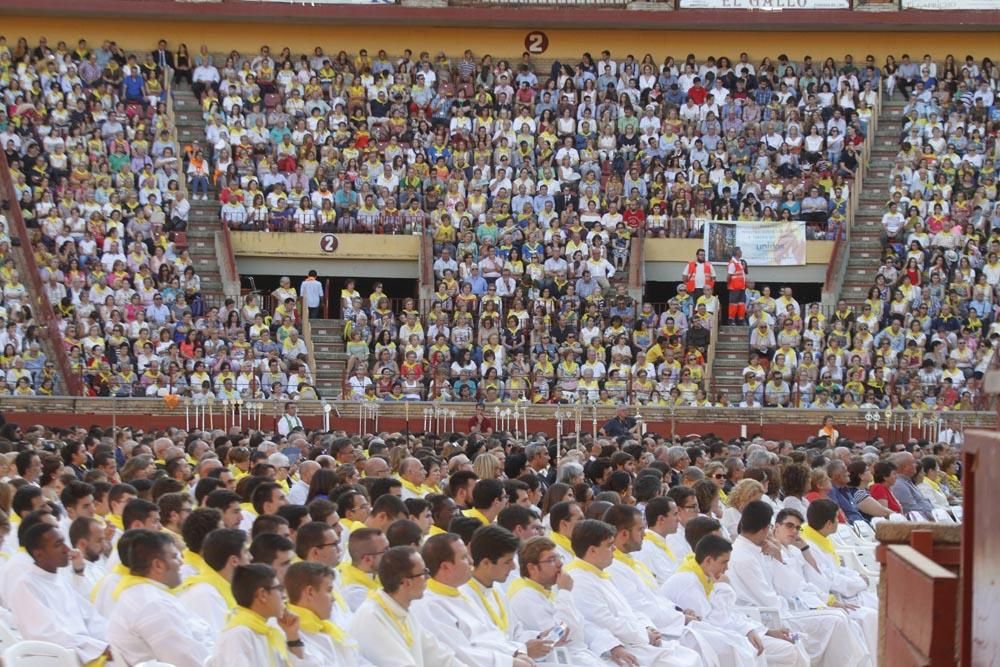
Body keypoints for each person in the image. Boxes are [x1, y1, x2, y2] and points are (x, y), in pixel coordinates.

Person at [726, 501, 869, 667]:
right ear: (768, 528)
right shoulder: (744, 556)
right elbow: (769, 598)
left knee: (839, 617)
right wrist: (804, 604)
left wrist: (778, 557)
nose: (794, 532)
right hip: (768, 615)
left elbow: (792, 585)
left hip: (785, 606)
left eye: (797, 528)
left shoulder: (761, 549)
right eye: (789, 526)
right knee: (836, 620)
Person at [567, 519, 701, 667]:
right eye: (609, 545)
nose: (614, 550)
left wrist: (647, 627)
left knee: (691, 655)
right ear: (592, 550)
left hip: (636, 638)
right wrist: (643, 634)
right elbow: (606, 622)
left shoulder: (597, 573)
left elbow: (629, 609)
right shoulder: (579, 580)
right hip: (618, 646)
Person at [661, 534, 809, 667]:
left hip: (723, 633)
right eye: (724, 562)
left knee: (793, 647)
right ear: (708, 560)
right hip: (691, 642)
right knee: (775, 651)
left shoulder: (705, 575)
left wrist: (758, 630)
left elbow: (730, 614)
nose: (726, 568)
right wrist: (723, 588)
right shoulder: (688, 582)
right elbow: (712, 622)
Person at [410, 533, 534, 666]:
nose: (471, 561)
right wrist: (509, 662)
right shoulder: (428, 606)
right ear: (445, 567)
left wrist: (516, 651)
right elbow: (458, 654)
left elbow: (490, 635)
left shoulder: (458, 593)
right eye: (463, 557)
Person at [108, 530, 214, 667]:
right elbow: (188, 661)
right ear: (158, 565)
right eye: (175, 557)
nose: (181, 562)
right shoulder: (152, 604)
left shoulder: (141, 593)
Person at [10, 523, 110, 664]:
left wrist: (112, 639)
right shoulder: (26, 586)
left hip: (85, 651)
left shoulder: (59, 578)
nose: (67, 549)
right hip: (59, 660)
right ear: (39, 554)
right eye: (58, 545)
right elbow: (48, 635)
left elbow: (90, 617)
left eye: (64, 542)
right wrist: (99, 648)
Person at [349, 545, 464, 666]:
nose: (428, 577)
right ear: (405, 582)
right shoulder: (371, 617)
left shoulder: (401, 611)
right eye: (423, 573)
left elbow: (437, 655)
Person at [507, 536, 611, 666]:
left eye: (559, 558)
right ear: (532, 568)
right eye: (551, 560)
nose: (560, 564)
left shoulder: (548, 589)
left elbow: (581, 625)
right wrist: (565, 593)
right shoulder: (525, 596)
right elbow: (564, 636)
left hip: (579, 655)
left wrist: (612, 645)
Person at [211, 563, 305, 666]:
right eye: (279, 589)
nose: (284, 595)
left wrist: (292, 636)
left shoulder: (269, 630)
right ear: (262, 595)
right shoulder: (237, 636)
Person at [284, 561, 371, 666]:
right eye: (329, 591)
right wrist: (294, 639)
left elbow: (358, 662)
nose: (334, 599)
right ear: (310, 592)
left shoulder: (327, 626)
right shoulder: (290, 634)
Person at [178, 528, 249, 633]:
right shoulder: (205, 594)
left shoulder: (215, 588)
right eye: (246, 552)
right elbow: (217, 643)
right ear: (234, 561)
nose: (251, 557)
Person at [338, 527, 388, 611]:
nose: (390, 554)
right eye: (385, 550)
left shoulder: (373, 573)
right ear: (367, 559)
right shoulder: (354, 593)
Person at [636, 496, 681, 583]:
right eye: (675, 514)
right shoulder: (647, 549)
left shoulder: (659, 543)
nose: (679, 519)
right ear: (661, 519)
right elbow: (667, 582)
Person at [889, 452, 935, 519]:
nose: (916, 465)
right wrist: (935, 516)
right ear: (904, 467)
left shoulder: (907, 481)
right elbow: (912, 511)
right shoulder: (899, 485)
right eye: (913, 462)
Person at [726, 247, 748, 325]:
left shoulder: (739, 262)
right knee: (733, 304)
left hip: (741, 287)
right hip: (735, 288)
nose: (741, 252)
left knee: (741, 304)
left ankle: (741, 319)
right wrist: (730, 285)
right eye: (740, 251)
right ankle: (731, 320)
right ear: (736, 252)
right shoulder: (733, 263)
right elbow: (729, 276)